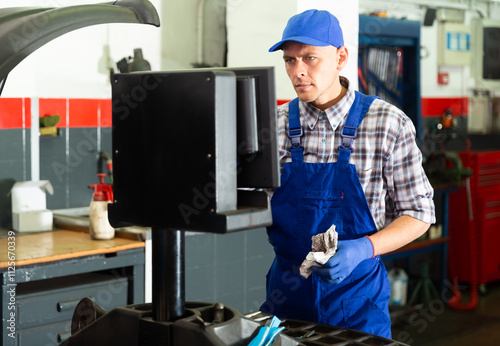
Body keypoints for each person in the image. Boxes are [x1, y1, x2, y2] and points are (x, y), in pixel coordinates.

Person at [260, 9, 436, 339]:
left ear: (341, 57)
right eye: (289, 60)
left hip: (358, 303)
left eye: (310, 58)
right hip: (286, 300)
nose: (298, 71)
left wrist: (364, 249)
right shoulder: (272, 125)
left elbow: (420, 214)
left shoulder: (388, 124)